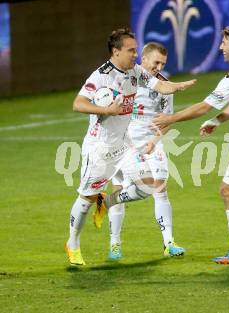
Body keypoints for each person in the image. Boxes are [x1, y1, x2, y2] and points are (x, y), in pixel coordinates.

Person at [65, 28, 195, 266]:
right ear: (116, 51)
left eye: (136, 50)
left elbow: (160, 86)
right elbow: (78, 103)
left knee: (147, 187)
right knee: (86, 198)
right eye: (131, 50)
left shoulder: (136, 72)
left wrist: (178, 86)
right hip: (100, 146)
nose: (135, 54)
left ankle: (108, 201)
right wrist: (107, 110)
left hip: (125, 145)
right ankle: (73, 243)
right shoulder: (100, 76)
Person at [152, 26, 229, 264]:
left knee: (227, 190)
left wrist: (170, 119)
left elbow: (203, 107)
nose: (221, 47)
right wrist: (218, 120)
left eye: (224, 43)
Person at [106, 42, 185, 261]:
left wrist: (154, 140)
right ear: (144, 58)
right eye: (156, 62)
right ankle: (114, 244)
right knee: (120, 188)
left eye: (163, 63)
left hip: (152, 143)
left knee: (160, 188)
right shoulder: (125, 79)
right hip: (125, 143)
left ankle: (169, 242)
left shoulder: (165, 86)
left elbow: (167, 120)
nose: (159, 67)